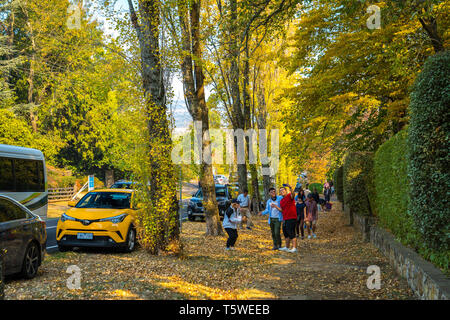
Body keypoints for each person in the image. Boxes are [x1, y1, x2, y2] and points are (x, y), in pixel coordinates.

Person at [278, 184, 298, 253]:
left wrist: (290, 187)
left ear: (286, 191)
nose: (281, 191)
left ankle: (294, 247)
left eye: (283, 190)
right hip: (285, 218)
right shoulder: (281, 201)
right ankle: (287, 247)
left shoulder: (289, 196)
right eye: (280, 191)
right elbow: (282, 210)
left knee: (291, 232)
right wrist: (275, 206)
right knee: (285, 233)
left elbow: (293, 194)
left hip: (292, 217)